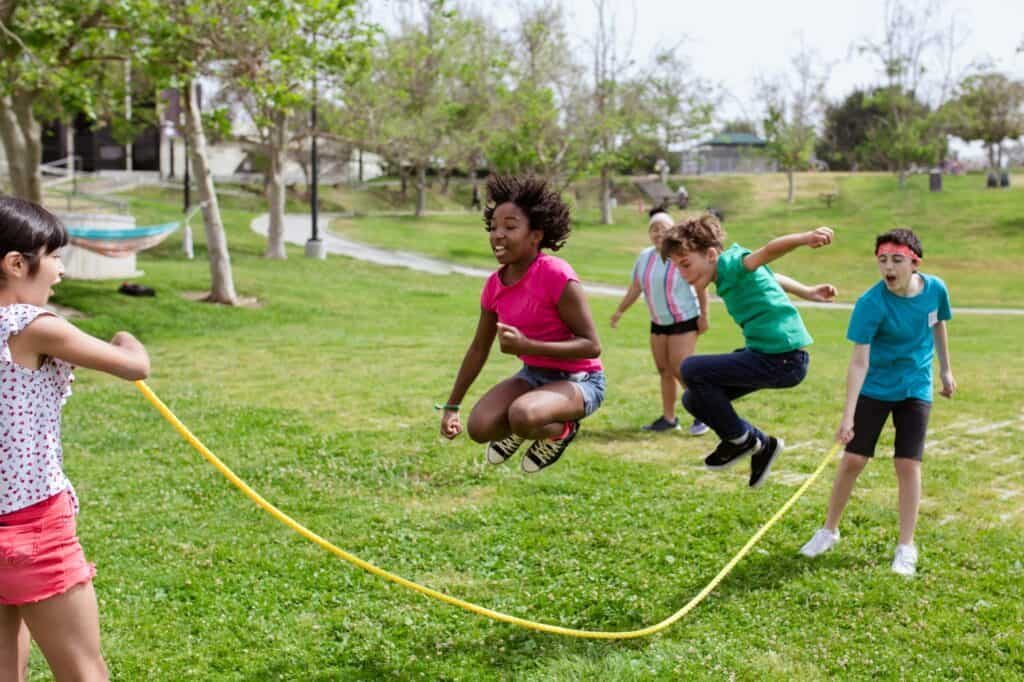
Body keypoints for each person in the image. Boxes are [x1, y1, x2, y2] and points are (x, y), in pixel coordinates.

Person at [0, 196, 150, 681]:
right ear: (17, 263)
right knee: (83, 670)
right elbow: (133, 366)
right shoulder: (31, 326)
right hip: (32, 529)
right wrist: (127, 336)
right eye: (55, 255)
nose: (61, 269)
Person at [800, 228, 955, 576]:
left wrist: (945, 370)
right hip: (876, 386)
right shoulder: (871, 303)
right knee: (853, 459)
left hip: (915, 385)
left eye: (897, 260)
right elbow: (859, 362)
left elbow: (938, 324)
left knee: (907, 464)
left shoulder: (935, 290)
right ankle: (828, 531)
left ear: (914, 263)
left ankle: (906, 545)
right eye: (883, 260)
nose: (889, 267)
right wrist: (848, 416)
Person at [439, 175, 604, 473]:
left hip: (580, 380)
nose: (498, 235)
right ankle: (523, 427)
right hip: (533, 377)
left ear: (535, 235)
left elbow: (592, 346)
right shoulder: (494, 286)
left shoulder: (556, 274)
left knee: (522, 415)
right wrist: (452, 406)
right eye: (493, 227)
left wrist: (528, 346)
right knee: (480, 427)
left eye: (510, 227)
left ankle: (560, 431)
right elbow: (479, 348)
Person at [660, 213, 836, 488]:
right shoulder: (730, 272)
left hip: (783, 359)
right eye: (677, 268)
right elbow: (770, 275)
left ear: (710, 255)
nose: (683, 275)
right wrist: (807, 291)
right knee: (693, 400)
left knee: (690, 368)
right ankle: (763, 445)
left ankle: (741, 440)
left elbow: (769, 252)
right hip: (767, 356)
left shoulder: (732, 263)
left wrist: (806, 238)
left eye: (685, 264)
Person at [610, 209, 710, 435]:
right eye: (653, 229)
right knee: (664, 369)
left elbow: (700, 286)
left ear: (672, 230)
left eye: (663, 228)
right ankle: (668, 418)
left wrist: (705, 316)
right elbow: (636, 287)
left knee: (681, 369)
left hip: (684, 319)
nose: (658, 233)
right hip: (658, 322)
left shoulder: (681, 254)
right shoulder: (644, 257)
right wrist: (619, 312)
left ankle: (703, 416)